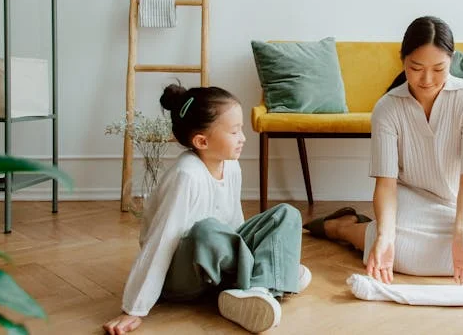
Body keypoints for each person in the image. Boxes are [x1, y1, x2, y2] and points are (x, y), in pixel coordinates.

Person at [303, 16, 463, 286]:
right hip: (408, 199)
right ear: (403, 60)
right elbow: (386, 185)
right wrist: (385, 236)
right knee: (392, 244)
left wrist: (462, 234)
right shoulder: (387, 108)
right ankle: (343, 228)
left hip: (452, 202)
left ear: (452, 61)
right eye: (416, 68)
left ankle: (372, 233)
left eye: (439, 68)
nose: (427, 80)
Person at [104, 84, 311, 334]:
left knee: (287, 214)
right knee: (208, 230)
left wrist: (252, 248)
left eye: (241, 130)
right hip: (181, 277)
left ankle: (259, 289)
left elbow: (235, 226)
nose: (243, 138)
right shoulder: (186, 175)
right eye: (235, 132)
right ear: (202, 141)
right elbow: (161, 241)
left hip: (215, 266)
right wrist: (134, 308)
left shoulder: (231, 165)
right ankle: (270, 278)